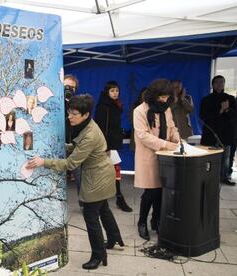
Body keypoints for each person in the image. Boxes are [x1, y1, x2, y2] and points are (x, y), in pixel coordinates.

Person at [27, 94, 124, 270]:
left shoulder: (89, 134)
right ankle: (114, 237)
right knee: (103, 209)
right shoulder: (89, 126)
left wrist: (43, 162)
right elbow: (82, 149)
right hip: (102, 174)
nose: (69, 116)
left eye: (74, 114)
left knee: (91, 217)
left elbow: (71, 163)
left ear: (85, 115)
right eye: (69, 112)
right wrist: (65, 146)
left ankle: (98, 255)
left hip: (96, 179)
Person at [133, 79, 180, 240]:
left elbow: (172, 128)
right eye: (161, 97)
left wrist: (178, 142)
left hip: (166, 157)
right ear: (154, 95)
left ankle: (157, 220)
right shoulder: (140, 110)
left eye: (167, 97)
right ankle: (141, 222)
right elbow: (143, 136)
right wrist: (168, 145)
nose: (164, 100)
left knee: (161, 191)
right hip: (148, 156)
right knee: (150, 192)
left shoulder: (166, 109)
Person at [94, 81, 132, 212]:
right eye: (112, 91)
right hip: (105, 144)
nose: (115, 93)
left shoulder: (116, 104)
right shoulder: (103, 106)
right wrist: (105, 147)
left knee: (114, 169)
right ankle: (110, 199)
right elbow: (100, 127)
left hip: (112, 143)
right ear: (107, 92)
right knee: (105, 171)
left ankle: (117, 197)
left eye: (117, 90)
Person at [200, 75, 237, 186]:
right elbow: (203, 116)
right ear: (213, 85)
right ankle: (207, 177)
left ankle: (224, 177)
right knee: (208, 156)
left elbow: (235, 115)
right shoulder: (206, 99)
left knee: (226, 157)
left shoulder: (230, 98)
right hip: (211, 132)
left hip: (226, 132)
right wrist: (220, 110)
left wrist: (226, 110)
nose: (219, 84)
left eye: (222, 82)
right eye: (217, 82)